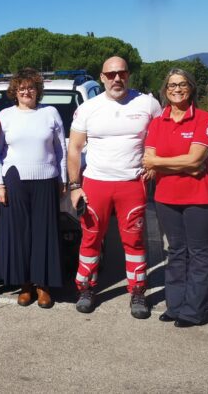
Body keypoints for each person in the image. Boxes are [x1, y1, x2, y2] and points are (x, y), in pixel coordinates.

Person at [68, 56, 162, 318]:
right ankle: (86, 288)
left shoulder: (148, 104)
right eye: (110, 74)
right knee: (91, 238)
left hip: (132, 183)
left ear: (128, 74)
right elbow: (74, 147)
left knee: (134, 241)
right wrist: (75, 186)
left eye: (121, 73)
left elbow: (160, 137)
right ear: (102, 77)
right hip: (95, 184)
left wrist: (154, 163)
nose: (116, 78)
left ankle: (138, 291)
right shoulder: (89, 108)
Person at [142, 69, 208, 327]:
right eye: (172, 85)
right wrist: (184, 164)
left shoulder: (204, 119)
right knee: (176, 251)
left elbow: (195, 160)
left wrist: (162, 163)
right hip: (166, 198)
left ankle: (194, 311)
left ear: (191, 88)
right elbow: (148, 161)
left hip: (200, 198)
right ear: (165, 90)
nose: (177, 89)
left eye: (183, 84)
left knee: (199, 254)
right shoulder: (157, 122)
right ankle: (175, 307)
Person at [0, 69, 66, 309]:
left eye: (31, 87)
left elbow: (61, 150)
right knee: (20, 235)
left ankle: (43, 286)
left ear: (38, 90)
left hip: (46, 179)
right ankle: (25, 285)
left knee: (44, 234)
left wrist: (63, 179)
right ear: (15, 91)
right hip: (14, 181)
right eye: (22, 88)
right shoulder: (5, 116)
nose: (26, 91)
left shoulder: (50, 113)